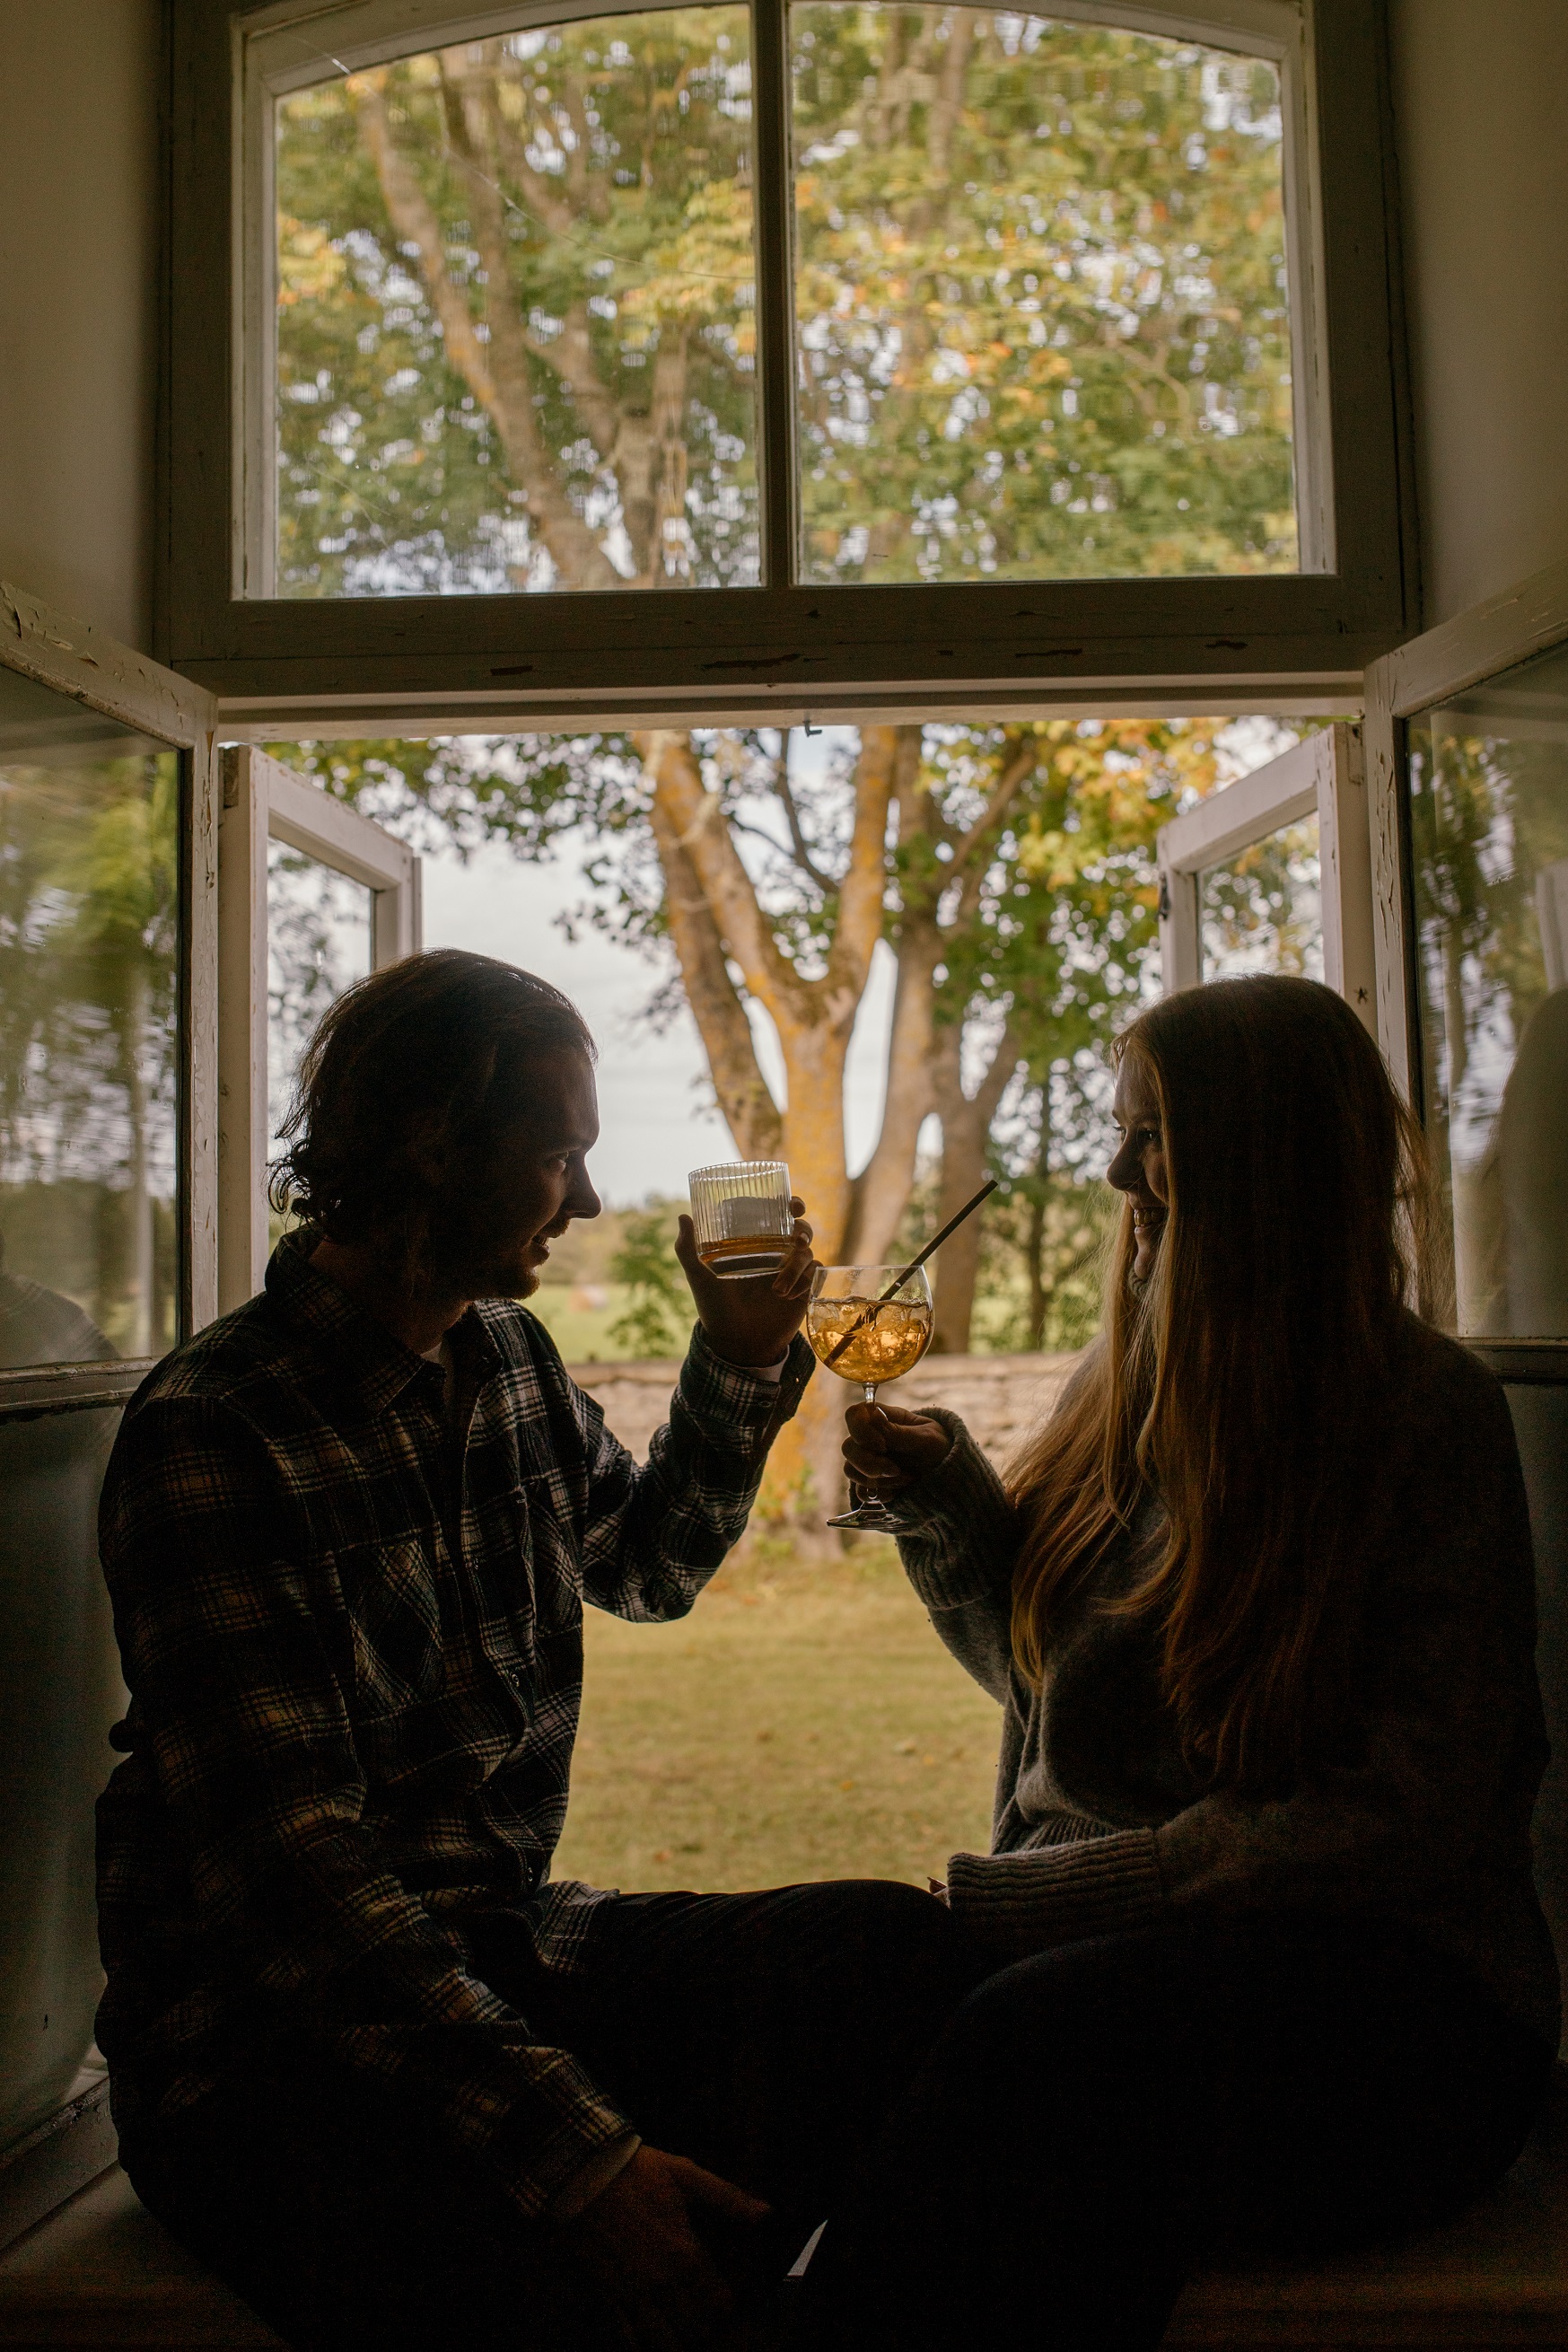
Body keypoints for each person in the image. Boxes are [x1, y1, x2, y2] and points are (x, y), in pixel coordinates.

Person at [95, 950, 974, 2352]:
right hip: (270, 2052)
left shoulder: (506, 1359)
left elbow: (650, 1567)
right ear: (432, 1142)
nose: (591, 1199)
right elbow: (300, 1883)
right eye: (560, 1150)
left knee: (889, 1953)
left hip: (493, 1952)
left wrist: (742, 1363)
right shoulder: (217, 1430)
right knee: (585, 2283)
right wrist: (581, 2155)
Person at [819, 974, 1559, 2350]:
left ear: (1264, 1157)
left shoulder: (1424, 1421)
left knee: (1041, 2042)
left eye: (1149, 1134)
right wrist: (951, 1508)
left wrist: (1071, 1897)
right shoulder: (1126, 1389)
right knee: (845, 1970)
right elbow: (1059, 1713)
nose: (1113, 1172)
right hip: (1139, 1979)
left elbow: (1410, 1810)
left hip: (1398, 2020)